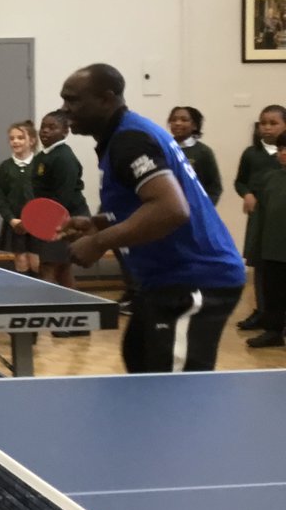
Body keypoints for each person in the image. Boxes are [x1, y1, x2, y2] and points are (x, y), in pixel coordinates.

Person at [57, 64, 246, 373]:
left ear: (107, 99)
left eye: (73, 100)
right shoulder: (124, 136)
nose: (65, 109)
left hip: (195, 279)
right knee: (141, 362)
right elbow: (142, 205)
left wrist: (98, 242)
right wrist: (98, 222)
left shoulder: (129, 140)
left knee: (174, 396)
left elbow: (171, 209)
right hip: (162, 281)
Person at [233, 105, 286, 331]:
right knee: (261, 264)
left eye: (273, 123)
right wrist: (247, 194)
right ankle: (263, 312)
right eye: (263, 123)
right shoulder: (252, 154)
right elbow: (240, 181)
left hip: (279, 219)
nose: (267, 128)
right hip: (260, 216)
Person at [31, 110, 89, 304]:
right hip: (52, 219)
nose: (45, 131)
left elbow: (61, 199)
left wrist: (48, 224)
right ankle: (77, 320)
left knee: (48, 266)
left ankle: (51, 313)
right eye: (43, 127)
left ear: (65, 132)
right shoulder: (42, 157)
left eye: (52, 127)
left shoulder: (63, 158)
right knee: (63, 269)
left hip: (66, 220)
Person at [243, 131, 286, 347]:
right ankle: (273, 331)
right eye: (280, 149)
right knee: (274, 293)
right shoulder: (271, 179)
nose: (283, 153)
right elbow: (260, 217)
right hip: (273, 249)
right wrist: (256, 248)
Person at [0, 120, 40, 276]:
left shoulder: (40, 164)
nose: (15, 141)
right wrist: (12, 219)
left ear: (32, 140)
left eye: (20, 137)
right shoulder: (5, 167)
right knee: (21, 260)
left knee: (36, 261)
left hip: (37, 223)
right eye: (12, 138)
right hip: (16, 224)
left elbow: (47, 196)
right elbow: (0, 197)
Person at [167, 106, 222, 205]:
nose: (177, 123)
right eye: (173, 120)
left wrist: (206, 208)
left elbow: (214, 187)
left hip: (195, 207)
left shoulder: (203, 152)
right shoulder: (163, 148)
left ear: (195, 125)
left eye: (184, 120)